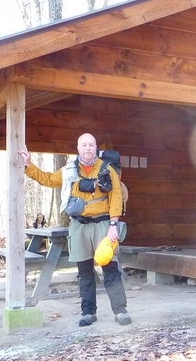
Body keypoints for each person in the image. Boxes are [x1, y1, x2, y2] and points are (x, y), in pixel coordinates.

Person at [17, 133, 131, 326]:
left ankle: (120, 311)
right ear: (78, 148)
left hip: (103, 224)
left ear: (96, 148)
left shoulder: (107, 169)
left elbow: (116, 197)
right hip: (78, 225)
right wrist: (29, 165)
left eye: (91, 145)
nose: (88, 149)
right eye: (84, 145)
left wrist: (113, 224)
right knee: (84, 270)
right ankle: (88, 312)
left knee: (110, 268)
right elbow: (47, 179)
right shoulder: (69, 170)